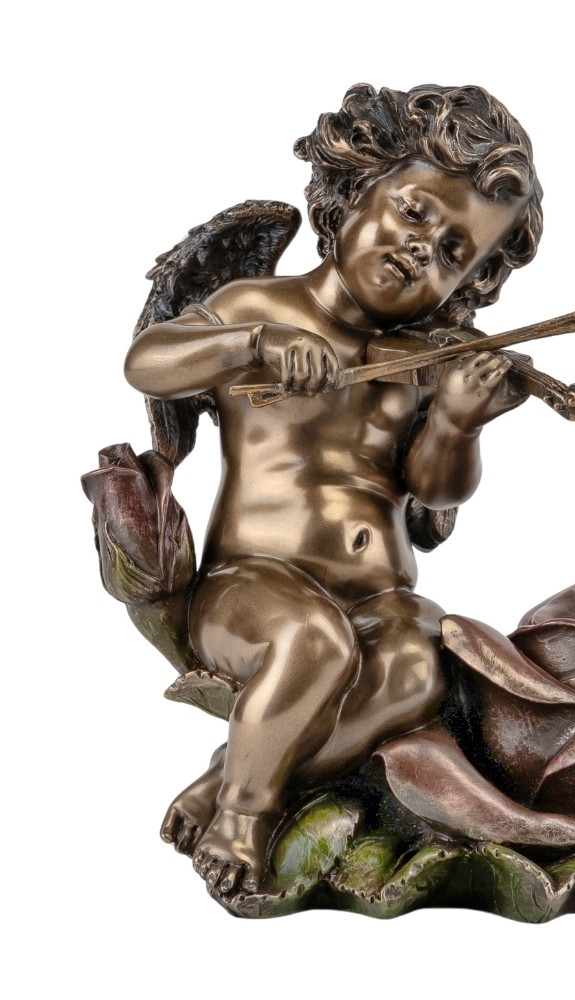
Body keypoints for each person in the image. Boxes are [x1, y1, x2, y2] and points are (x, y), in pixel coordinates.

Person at [124, 84, 543, 895]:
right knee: (313, 642)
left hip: (381, 595)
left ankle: (239, 773)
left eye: (454, 252)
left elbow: (433, 495)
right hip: (252, 587)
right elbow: (147, 361)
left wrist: (459, 423)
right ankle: (244, 815)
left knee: (424, 666)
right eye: (414, 213)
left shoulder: (423, 360)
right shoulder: (258, 304)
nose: (422, 249)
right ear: (354, 190)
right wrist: (253, 345)